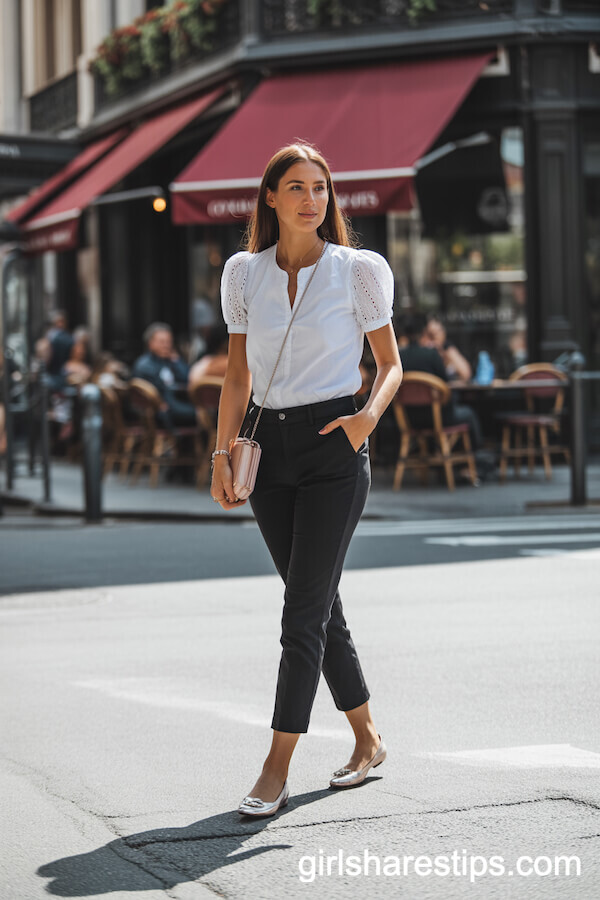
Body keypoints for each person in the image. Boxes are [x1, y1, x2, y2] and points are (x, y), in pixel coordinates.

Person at [211, 142, 403, 818]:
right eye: (295, 187)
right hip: (267, 451)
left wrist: (364, 421)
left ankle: (276, 767)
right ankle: (368, 739)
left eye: (320, 188)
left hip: (333, 448)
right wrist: (220, 454)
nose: (310, 199)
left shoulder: (357, 270)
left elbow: (390, 364)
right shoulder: (244, 274)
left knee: (300, 615)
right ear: (270, 197)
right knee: (318, 606)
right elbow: (237, 374)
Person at [399, 313, 486, 471]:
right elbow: (444, 385)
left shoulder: (399, 356)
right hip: (438, 417)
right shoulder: (431, 355)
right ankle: (473, 462)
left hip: (408, 418)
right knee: (469, 414)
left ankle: (442, 462)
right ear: (423, 333)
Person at [131, 322, 197, 430]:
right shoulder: (144, 365)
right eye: (162, 342)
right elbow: (158, 393)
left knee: (208, 412)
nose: (166, 345)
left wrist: (176, 361)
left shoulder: (169, 361)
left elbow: (187, 378)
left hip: (175, 403)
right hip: (158, 411)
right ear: (150, 343)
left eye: (169, 342)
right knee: (204, 415)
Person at [425, 315, 472, 382]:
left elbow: (466, 374)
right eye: (430, 335)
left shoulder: (447, 348)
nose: (433, 339)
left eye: (436, 334)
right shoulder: (422, 350)